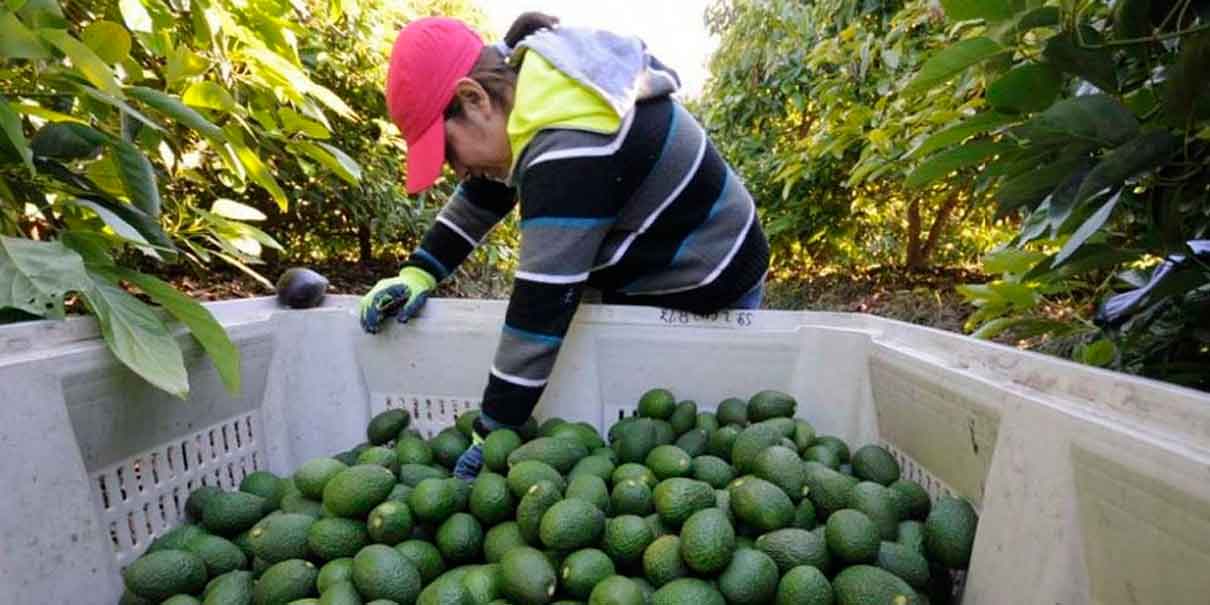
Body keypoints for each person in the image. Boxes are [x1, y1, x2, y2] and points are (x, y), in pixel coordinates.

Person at [360, 13, 770, 479]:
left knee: (686, 430)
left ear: (474, 98)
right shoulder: (537, 89)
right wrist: (420, 270)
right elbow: (484, 192)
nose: (457, 170)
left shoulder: (573, 147)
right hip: (652, 260)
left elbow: (541, 308)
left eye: (449, 152)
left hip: (709, 274)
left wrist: (493, 429)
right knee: (635, 431)